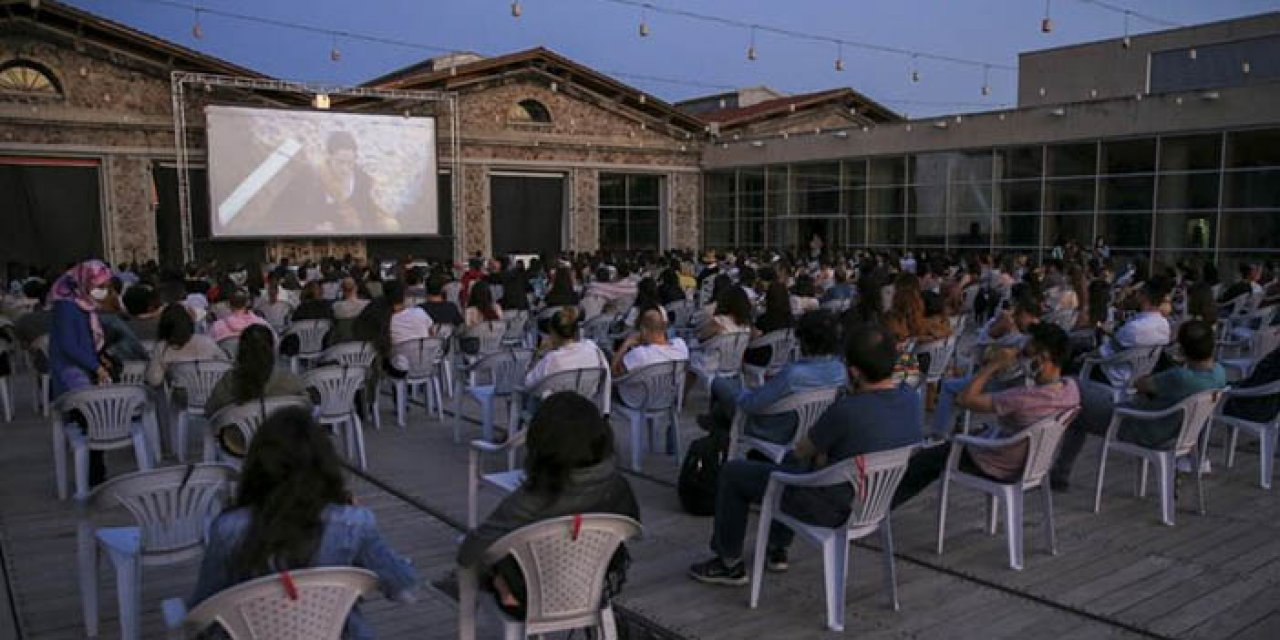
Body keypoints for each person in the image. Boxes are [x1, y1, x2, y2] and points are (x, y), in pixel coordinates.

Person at [688, 323, 922, 585]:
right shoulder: (912, 400)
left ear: (854, 372)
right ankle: (777, 548)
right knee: (790, 463)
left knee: (735, 473)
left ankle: (728, 561)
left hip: (831, 505)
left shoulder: (848, 411)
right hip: (876, 500)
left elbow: (802, 449)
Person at [191, 407, 417, 639]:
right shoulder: (354, 524)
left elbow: (201, 613)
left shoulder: (228, 529)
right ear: (325, 464)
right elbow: (403, 587)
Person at [458, 392, 639, 618]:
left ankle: (504, 590)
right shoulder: (619, 486)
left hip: (530, 596)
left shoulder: (528, 501)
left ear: (541, 444)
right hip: (594, 585)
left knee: (487, 555)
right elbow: (632, 529)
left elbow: (468, 553)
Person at [893, 323, 1081, 507]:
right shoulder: (1071, 391)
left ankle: (881, 509)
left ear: (1043, 358)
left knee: (924, 461)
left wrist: (993, 366)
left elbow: (964, 399)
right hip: (1031, 463)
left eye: (1026, 353)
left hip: (995, 463)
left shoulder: (1023, 398)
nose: (1021, 358)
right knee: (965, 438)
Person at [1051, 319, 1226, 490]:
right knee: (1079, 408)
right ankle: (1059, 473)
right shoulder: (1219, 374)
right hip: (1174, 433)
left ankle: (1058, 470)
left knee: (1074, 387)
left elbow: (1140, 383)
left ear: (1183, 349)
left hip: (1137, 426)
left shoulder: (1180, 377)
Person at [699, 311, 846, 445]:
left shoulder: (794, 374)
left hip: (776, 430)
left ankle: (714, 450)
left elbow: (750, 404)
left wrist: (724, 385)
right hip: (811, 427)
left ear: (803, 340)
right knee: (723, 406)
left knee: (720, 389)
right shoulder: (840, 371)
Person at [929, 294, 1042, 438]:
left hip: (1000, 384)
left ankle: (938, 434)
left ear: (1027, 314)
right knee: (967, 376)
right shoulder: (1034, 336)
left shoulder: (1022, 338)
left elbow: (980, 349)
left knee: (949, 386)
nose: (1015, 317)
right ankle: (961, 423)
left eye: (1018, 314)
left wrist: (997, 329)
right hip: (1011, 383)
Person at [48, 260, 115, 485]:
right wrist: (95, 366)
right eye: (99, 285)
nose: (102, 290)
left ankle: (97, 473)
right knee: (91, 419)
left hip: (85, 369)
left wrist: (99, 359)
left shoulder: (84, 304)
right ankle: (94, 478)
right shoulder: (66, 307)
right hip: (71, 376)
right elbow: (69, 345)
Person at [205, 324, 308, 418]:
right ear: (271, 350)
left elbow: (210, 412)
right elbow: (307, 408)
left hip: (240, 437)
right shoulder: (290, 382)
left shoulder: (228, 382)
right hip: (280, 437)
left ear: (241, 350)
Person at [1093, 279, 1171, 386]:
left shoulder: (1134, 328)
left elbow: (1102, 353)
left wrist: (1084, 356)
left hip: (1112, 377)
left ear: (1143, 296)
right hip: (1138, 376)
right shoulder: (1164, 325)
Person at [145, 303, 228, 387]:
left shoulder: (162, 348)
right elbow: (225, 365)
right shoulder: (207, 342)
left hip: (180, 396)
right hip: (208, 393)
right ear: (189, 322)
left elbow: (154, 380)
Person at [526, 307, 610, 390]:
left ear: (553, 333)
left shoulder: (552, 359)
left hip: (555, 401)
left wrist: (538, 354)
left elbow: (528, 383)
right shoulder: (592, 347)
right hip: (585, 397)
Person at [611, 308, 689, 376]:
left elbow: (614, 372)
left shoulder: (640, 353)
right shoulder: (680, 345)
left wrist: (626, 344)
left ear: (644, 331)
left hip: (637, 393)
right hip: (672, 392)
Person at [744, 281, 795, 367]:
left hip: (762, 359)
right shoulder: (791, 319)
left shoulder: (765, 320)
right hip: (783, 358)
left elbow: (753, 337)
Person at [385, 281, 433, 346]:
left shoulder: (387, 320)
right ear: (404, 296)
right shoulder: (419, 312)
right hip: (424, 353)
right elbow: (431, 334)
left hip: (399, 355)